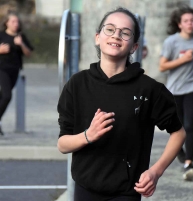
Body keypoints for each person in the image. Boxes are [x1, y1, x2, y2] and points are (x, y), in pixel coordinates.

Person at [57, 7, 185, 200]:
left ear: (134, 46)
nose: (116, 35)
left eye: (125, 33)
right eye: (110, 29)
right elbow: (63, 144)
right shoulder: (77, 84)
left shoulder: (149, 89)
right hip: (85, 190)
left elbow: (178, 132)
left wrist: (155, 172)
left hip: (126, 193)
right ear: (97, 37)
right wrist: (88, 135)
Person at [159, 5, 193, 181]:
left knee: (189, 125)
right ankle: (179, 149)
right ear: (179, 24)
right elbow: (162, 66)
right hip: (174, 90)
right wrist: (182, 60)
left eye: (192, 20)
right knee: (176, 127)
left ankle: (189, 163)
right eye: (186, 21)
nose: (190, 23)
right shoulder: (171, 42)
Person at [0, 13, 33, 138]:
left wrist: (21, 44)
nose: (16, 24)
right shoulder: (0, 36)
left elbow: (28, 53)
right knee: (7, 95)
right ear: (6, 23)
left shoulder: (21, 37)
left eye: (17, 21)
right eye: (13, 21)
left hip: (14, 70)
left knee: (1, 97)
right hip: (1, 69)